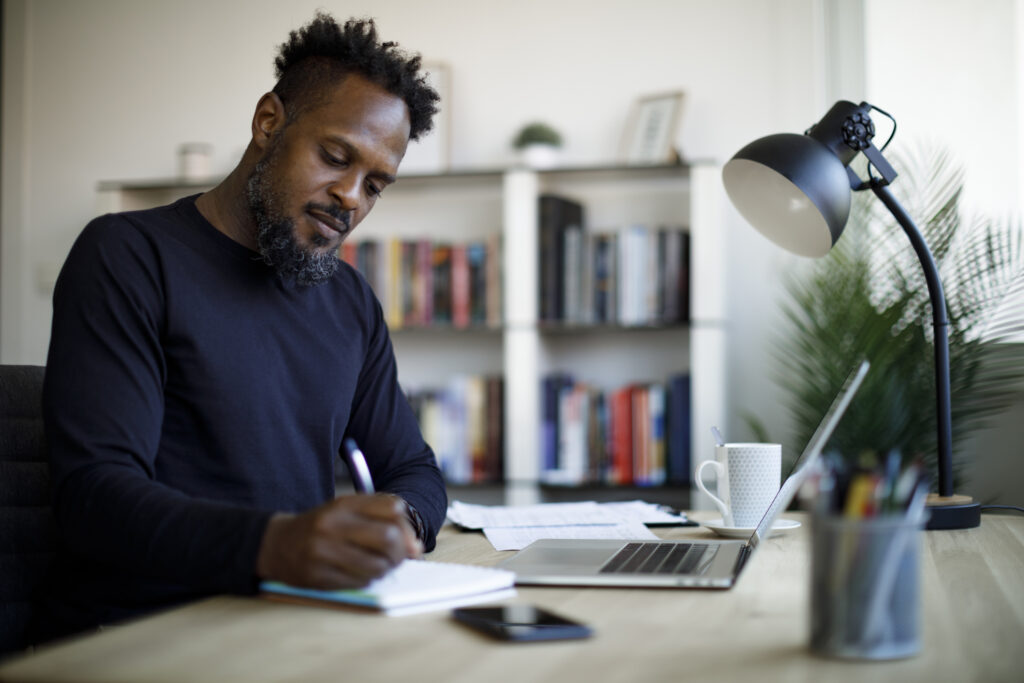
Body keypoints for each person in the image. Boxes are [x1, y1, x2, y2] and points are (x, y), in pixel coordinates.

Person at [31, 13, 447, 644]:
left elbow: (411, 467)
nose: (350, 197)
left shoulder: (350, 301)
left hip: (292, 619)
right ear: (268, 122)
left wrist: (401, 525)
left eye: (375, 185)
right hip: (141, 632)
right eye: (336, 157)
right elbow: (95, 496)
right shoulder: (127, 255)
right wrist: (276, 545)